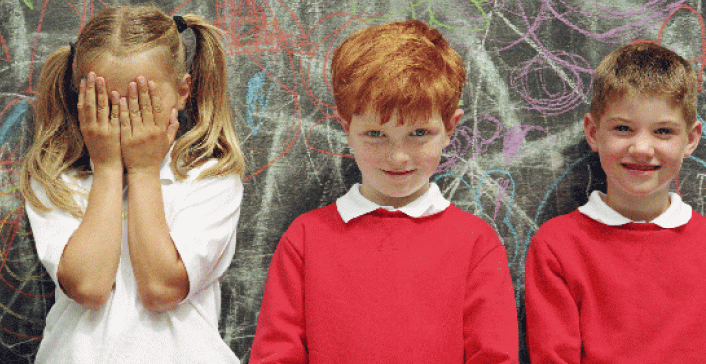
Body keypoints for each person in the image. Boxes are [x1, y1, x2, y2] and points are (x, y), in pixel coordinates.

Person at [249, 20, 519, 363]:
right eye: (376, 134)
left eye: (419, 133)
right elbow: (276, 355)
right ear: (347, 128)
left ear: (450, 127)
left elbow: (494, 356)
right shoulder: (305, 240)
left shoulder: (475, 242)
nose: (398, 156)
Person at [20, 5, 244, 363]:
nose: (126, 119)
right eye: (107, 105)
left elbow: (161, 288)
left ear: (183, 92)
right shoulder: (58, 180)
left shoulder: (210, 179)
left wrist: (143, 171)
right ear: (82, 101)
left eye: (143, 103)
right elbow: (90, 287)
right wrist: (108, 167)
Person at [525, 42, 705, 363]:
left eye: (663, 131)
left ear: (691, 139)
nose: (641, 148)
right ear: (593, 132)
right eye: (623, 128)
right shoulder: (557, 246)